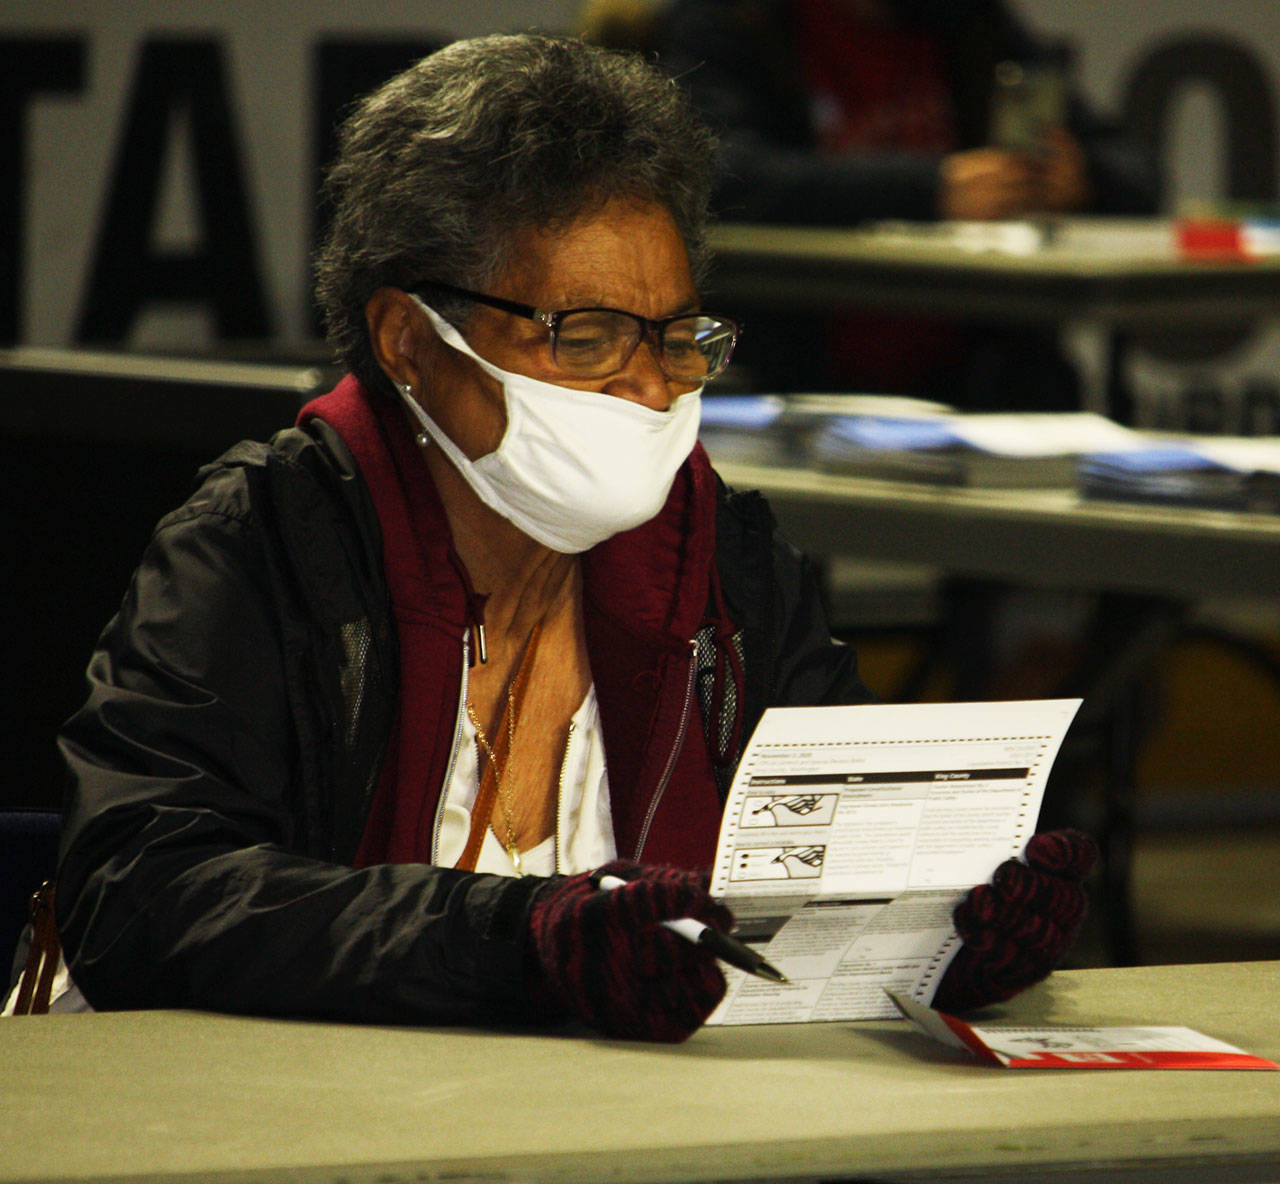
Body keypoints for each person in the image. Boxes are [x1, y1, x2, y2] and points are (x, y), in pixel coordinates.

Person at [47, 34, 1093, 1039]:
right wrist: (518, 941)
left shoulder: (719, 556)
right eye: (584, 338)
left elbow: (826, 871)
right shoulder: (263, 539)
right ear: (410, 339)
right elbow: (144, 892)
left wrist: (943, 928)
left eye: (678, 336)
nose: (648, 387)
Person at [601, 0, 1160, 401]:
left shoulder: (968, 20)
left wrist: (1080, 178)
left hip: (967, 363)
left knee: (1043, 389)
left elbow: (1138, 172)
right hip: (787, 355)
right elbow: (721, 174)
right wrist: (934, 188)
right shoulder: (734, 22)